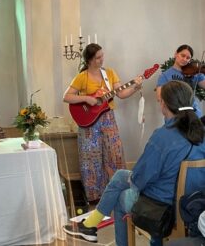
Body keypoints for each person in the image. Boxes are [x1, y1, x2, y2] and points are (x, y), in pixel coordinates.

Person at [63, 80, 205, 246]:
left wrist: (133, 180)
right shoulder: (201, 131)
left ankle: (93, 228)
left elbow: (140, 179)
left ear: (164, 104)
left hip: (164, 209)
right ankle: (90, 226)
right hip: (196, 204)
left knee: (120, 195)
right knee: (121, 175)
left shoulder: (162, 137)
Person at [63, 43, 143, 203]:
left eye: (102, 56)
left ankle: (116, 192)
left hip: (108, 118)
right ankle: (94, 197)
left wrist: (135, 87)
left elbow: (121, 93)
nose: (102, 59)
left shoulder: (110, 73)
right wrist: (87, 98)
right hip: (89, 123)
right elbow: (67, 97)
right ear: (90, 60)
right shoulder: (82, 76)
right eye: (98, 57)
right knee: (90, 157)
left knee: (115, 153)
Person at [156, 45, 205, 118]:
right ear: (176, 54)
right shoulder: (165, 76)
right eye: (183, 55)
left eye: (188, 58)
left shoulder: (194, 73)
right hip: (175, 115)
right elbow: (159, 97)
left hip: (194, 113)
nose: (185, 59)